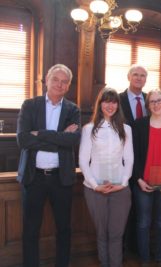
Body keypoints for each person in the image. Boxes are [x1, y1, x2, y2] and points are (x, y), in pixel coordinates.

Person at [16, 64, 81, 267]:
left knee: (64, 228)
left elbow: (72, 141)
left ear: (68, 86)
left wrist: (41, 134)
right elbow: (23, 140)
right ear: (47, 79)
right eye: (56, 79)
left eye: (64, 82)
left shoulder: (73, 110)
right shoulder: (30, 105)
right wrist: (59, 139)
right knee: (30, 229)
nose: (59, 84)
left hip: (60, 179)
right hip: (33, 177)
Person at [79, 88, 133, 267]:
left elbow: (129, 159)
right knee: (102, 233)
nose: (110, 105)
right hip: (95, 189)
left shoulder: (126, 129)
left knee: (116, 234)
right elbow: (84, 161)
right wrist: (95, 186)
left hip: (120, 189)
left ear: (118, 105)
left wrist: (123, 183)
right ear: (100, 104)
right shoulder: (89, 129)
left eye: (114, 102)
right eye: (106, 101)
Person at [132, 89, 161, 266]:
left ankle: (160, 258)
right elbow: (134, 155)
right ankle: (144, 259)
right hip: (143, 182)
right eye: (152, 101)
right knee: (143, 223)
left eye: (159, 100)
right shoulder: (139, 125)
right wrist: (139, 180)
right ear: (147, 105)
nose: (157, 104)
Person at [119, 64, 148, 253]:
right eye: (135, 75)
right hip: (122, 159)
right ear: (129, 77)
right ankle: (123, 247)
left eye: (142, 75)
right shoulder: (118, 99)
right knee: (124, 206)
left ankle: (139, 247)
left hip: (146, 159)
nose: (139, 78)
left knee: (142, 207)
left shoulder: (150, 99)